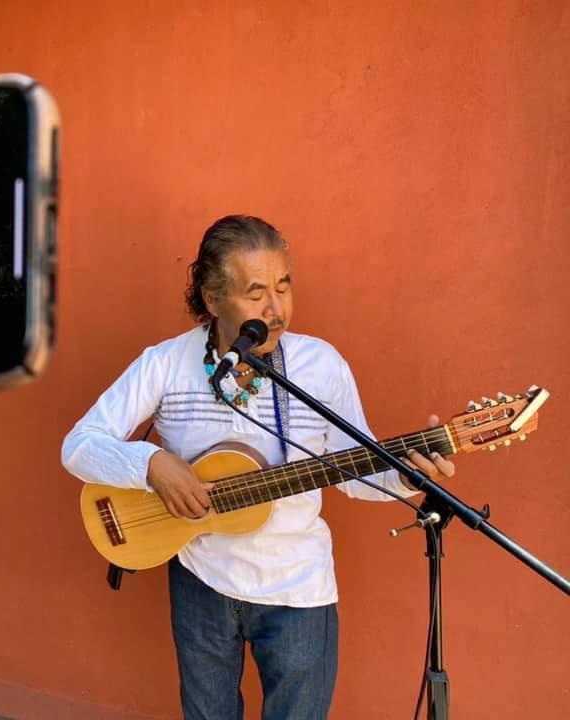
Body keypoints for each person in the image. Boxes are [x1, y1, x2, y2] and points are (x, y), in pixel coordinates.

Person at [61, 215, 456, 720]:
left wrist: (404, 474)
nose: (276, 310)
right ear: (212, 299)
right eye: (255, 293)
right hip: (200, 578)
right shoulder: (163, 363)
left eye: (284, 287)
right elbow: (79, 445)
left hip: (297, 586)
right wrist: (151, 462)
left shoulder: (320, 366)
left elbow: (360, 477)